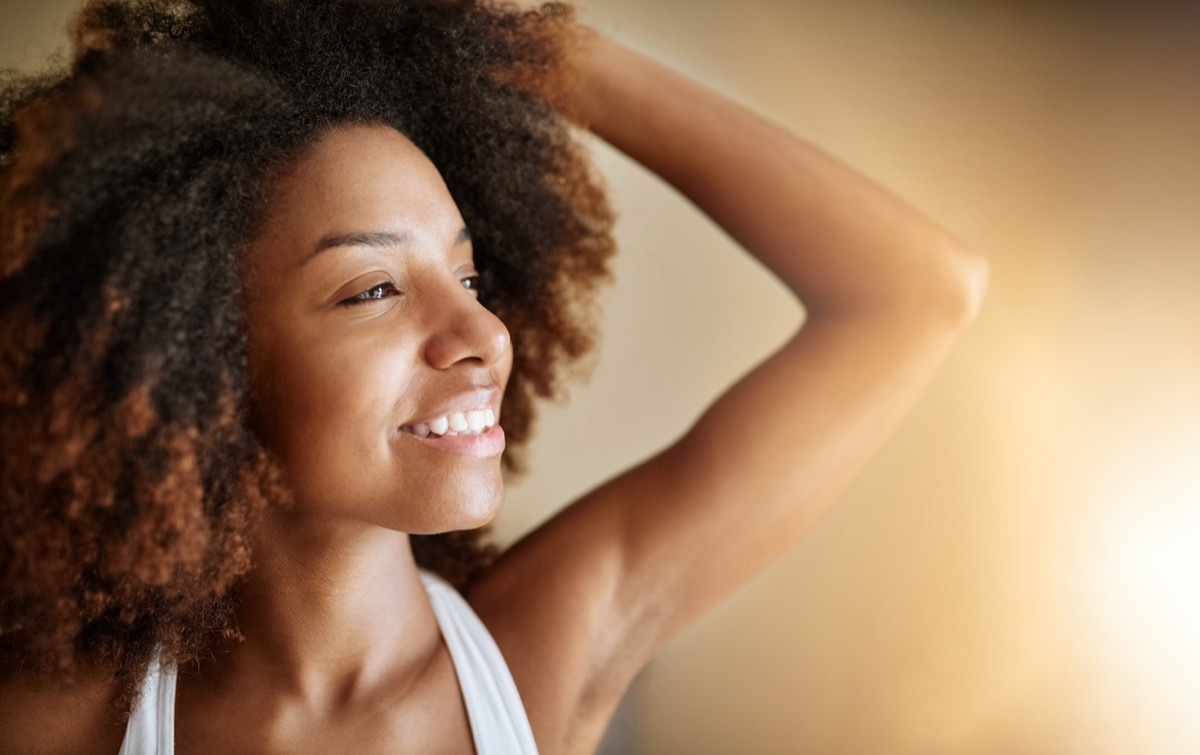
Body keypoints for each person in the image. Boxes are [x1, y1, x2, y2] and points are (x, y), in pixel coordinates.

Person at [0, 0, 987, 752]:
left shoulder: (537, 656)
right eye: (375, 288)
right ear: (195, 356)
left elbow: (918, 290)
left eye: (468, 273)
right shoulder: (63, 715)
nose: (480, 331)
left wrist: (524, 37)